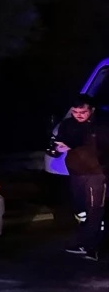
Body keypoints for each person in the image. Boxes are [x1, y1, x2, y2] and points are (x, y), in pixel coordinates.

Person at [54, 94, 108, 261]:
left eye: (82, 112)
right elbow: (60, 141)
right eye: (75, 111)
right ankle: (84, 242)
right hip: (76, 174)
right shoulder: (67, 124)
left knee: (95, 210)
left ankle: (93, 248)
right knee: (81, 211)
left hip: (97, 174)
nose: (78, 115)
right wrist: (57, 148)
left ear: (91, 111)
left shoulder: (100, 126)